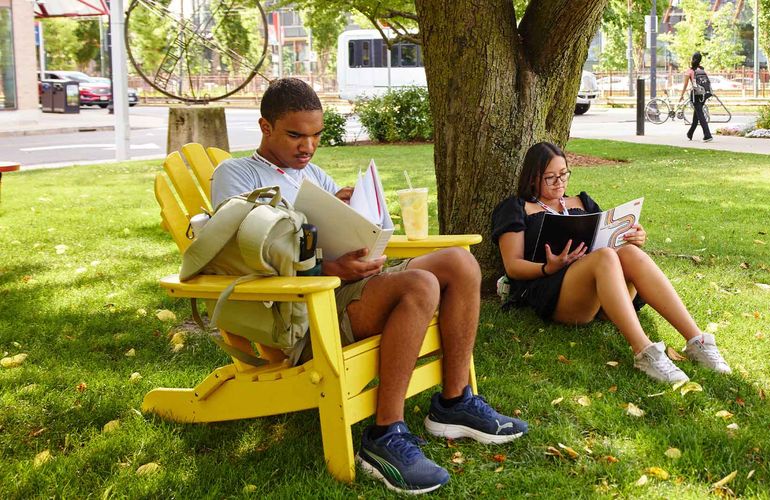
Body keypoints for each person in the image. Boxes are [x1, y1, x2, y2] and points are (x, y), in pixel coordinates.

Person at [210, 78, 526, 495]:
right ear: (265, 127)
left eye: (316, 136)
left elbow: (336, 233)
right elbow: (248, 255)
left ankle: (454, 403)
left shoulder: (314, 175)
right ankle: (384, 436)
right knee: (420, 285)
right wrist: (332, 269)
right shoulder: (236, 174)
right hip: (307, 311)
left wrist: (355, 219)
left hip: (349, 285)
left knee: (460, 262)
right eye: (295, 135)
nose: (307, 146)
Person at [490, 142, 731, 384]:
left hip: (605, 290)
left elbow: (609, 237)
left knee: (629, 253)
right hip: (558, 291)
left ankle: (697, 341)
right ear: (532, 178)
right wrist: (547, 267)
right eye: (550, 177)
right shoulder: (517, 208)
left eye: (563, 174)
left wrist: (635, 236)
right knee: (605, 256)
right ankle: (644, 351)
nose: (560, 182)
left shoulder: (582, 202)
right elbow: (513, 266)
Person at [679, 52, 714, 142]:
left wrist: (681, 95)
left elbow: (685, 84)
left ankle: (707, 135)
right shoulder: (702, 70)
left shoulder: (690, 71)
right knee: (697, 113)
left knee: (700, 114)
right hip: (704, 94)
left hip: (695, 95)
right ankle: (690, 133)